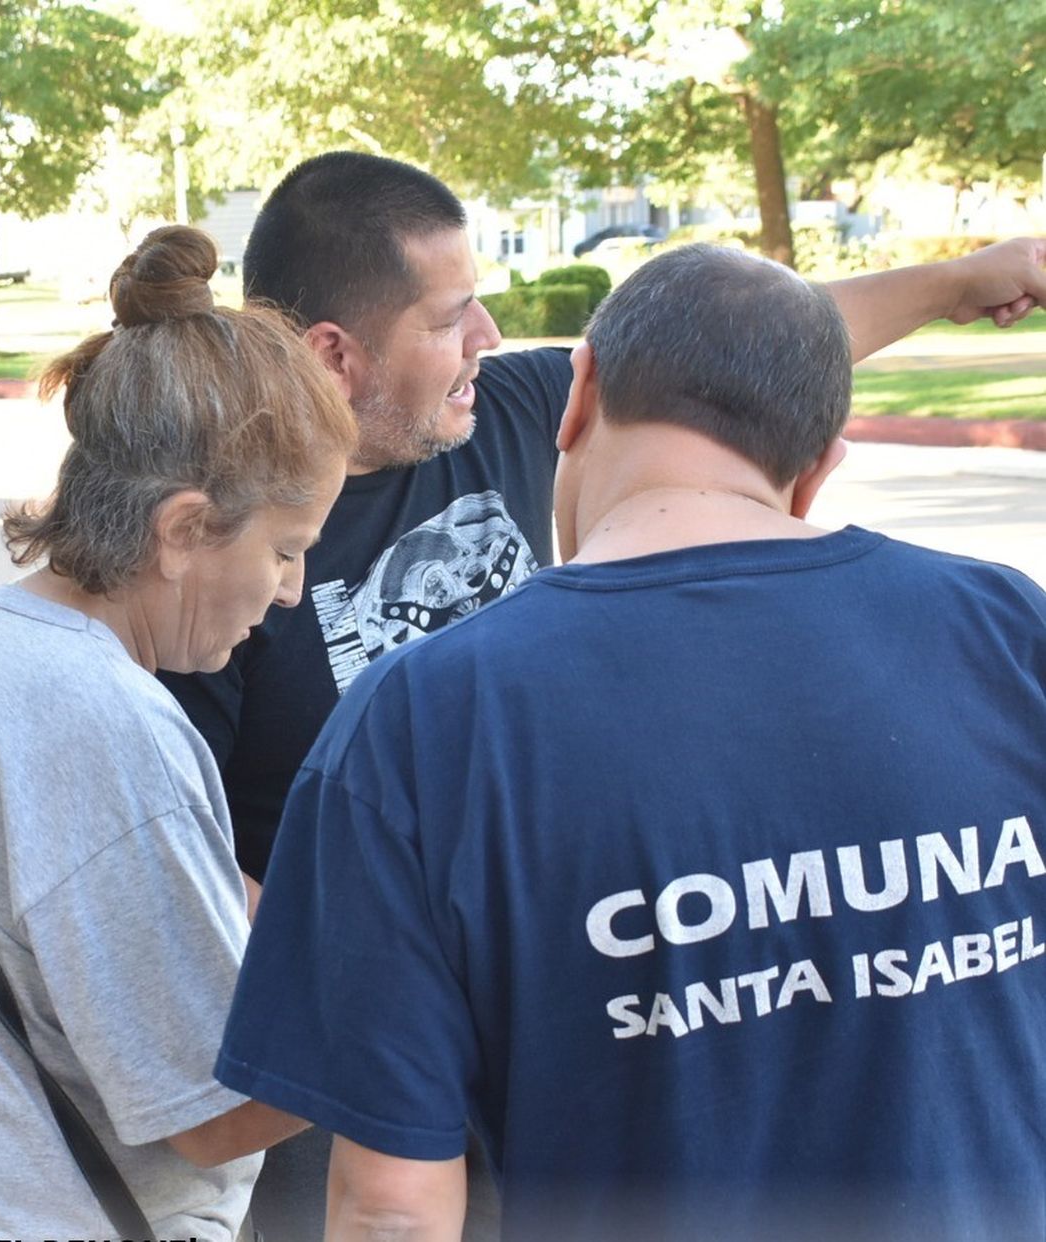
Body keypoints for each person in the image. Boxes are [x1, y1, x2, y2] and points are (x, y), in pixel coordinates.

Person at [159, 149, 1046, 1239]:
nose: (488, 336)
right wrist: (423, 950)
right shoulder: (224, 541)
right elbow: (180, 846)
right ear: (336, 355)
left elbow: (740, 356)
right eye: (451, 315)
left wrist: (962, 282)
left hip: (572, 1013)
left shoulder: (503, 411)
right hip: (356, 1039)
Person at [0, 225, 357, 1241]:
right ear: (183, 530)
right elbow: (218, 1112)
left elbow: (88, 902)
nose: (290, 593)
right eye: (284, 548)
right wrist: (433, 998)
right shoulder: (102, 726)